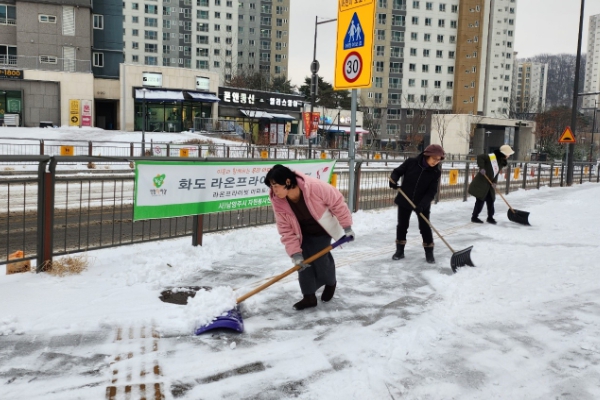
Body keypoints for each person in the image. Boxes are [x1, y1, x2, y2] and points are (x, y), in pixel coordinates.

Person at [265, 164, 354, 310]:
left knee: (320, 258)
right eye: (271, 186)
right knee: (303, 263)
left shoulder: (313, 187)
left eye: (275, 186)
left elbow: (337, 203)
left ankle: (331, 282)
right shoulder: (278, 201)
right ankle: (309, 297)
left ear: (287, 182)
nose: (273, 191)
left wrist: (347, 227)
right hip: (301, 232)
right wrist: (295, 254)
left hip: (322, 228)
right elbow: (285, 230)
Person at [388, 144, 445, 263]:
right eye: (434, 158)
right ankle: (400, 251)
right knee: (402, 225)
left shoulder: (435, 172)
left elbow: (431, 192)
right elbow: (397, 172)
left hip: (422, 202)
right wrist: (393, 180)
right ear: (427, 155)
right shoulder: (411, 162)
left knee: (424, 227)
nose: (436, 162)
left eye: (439, 159)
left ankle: (429, 253)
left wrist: (422, 205)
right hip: (405, 198)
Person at [468, 144, 515, 224]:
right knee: (480, 200)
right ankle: (474, 217)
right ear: (504, 153)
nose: (509, 156)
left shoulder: (501, 161)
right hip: (482, 182)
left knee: (491, 200)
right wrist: (482, 168)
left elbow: (495, 173)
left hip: (489, 184)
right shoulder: (492, 157)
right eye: (508, 154)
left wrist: (494, 183)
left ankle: (490, 217)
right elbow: (480, 157)